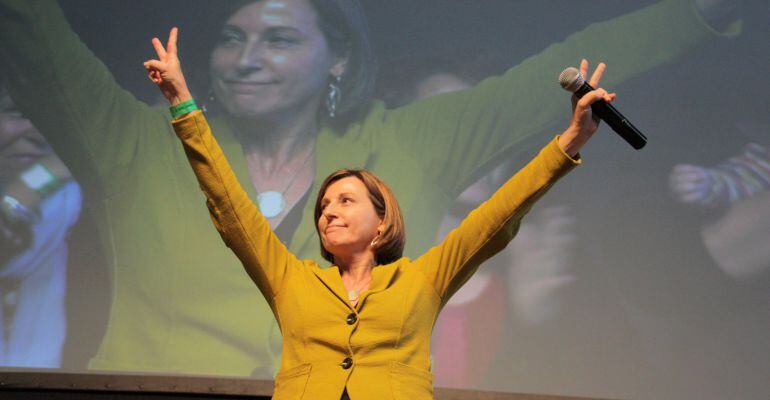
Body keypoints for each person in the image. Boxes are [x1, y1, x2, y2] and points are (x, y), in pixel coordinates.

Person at [0, 0, 739, 376]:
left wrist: (702, 13)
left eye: (279, 39)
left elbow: (536, 78)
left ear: (339, 62)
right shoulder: (134, 139)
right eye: (231, 38)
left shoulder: (412, 141)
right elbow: (31, 29)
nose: (246, 59)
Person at [144, 25, 614, 399]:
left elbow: (497, 215)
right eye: (324, 205)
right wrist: (183, 105)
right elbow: (229, 204)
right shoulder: (293, 279)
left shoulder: (422, 279)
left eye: (345, 200)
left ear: (383, 221)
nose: (328, 211)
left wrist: (567, 143)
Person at [0, 80, 81, 367]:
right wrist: (19, 196)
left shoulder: (72, 200)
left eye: (48, 115)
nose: (38, 133)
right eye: (19, 113)